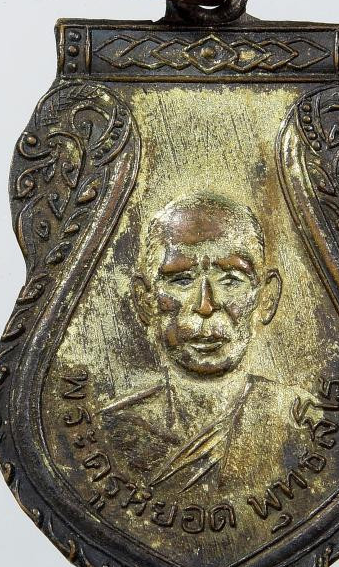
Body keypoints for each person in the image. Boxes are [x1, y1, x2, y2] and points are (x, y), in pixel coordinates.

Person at [99, 192, 307, 498]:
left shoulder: (300, 420)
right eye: (182, 280)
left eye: (231, 280)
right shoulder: (114, 430)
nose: (206, 305)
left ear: (266, 297)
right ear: (145, 300)